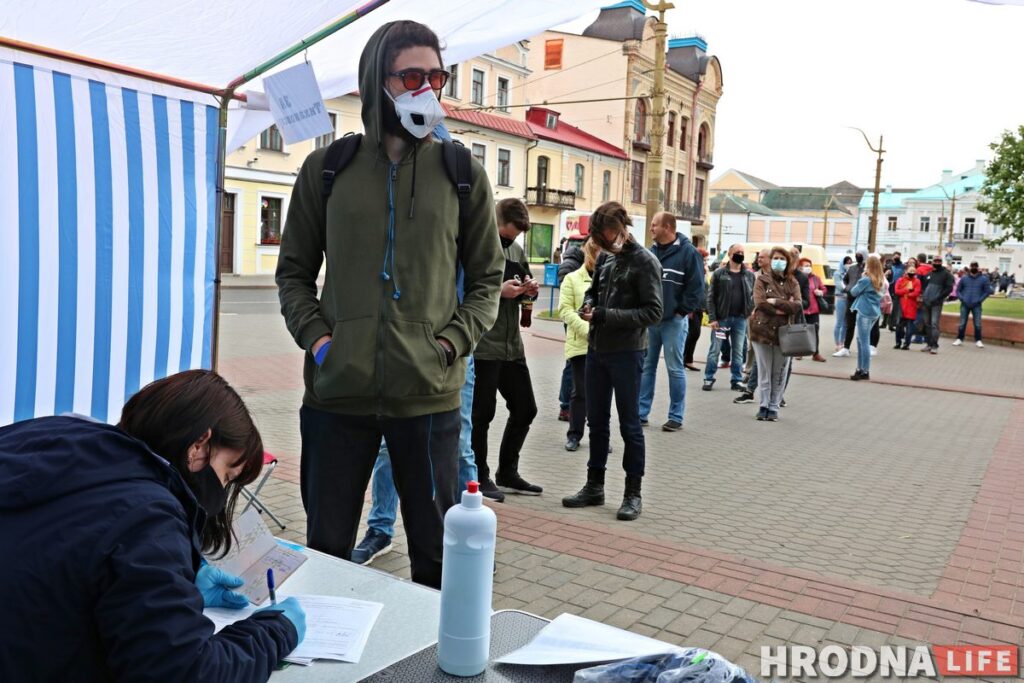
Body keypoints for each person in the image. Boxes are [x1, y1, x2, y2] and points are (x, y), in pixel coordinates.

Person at [275, 20, 504, 589]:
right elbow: (294, 274)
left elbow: (487, 279)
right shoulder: (327, 170)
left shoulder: (462, 174)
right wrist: (321, 341)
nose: (427, 89)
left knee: (435, 560)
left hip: (429, 400)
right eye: (411, 76)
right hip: (336, 397)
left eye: (436, 76)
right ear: (378, 82)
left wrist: (450, 343)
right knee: (327, 550)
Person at [0, 371, 305, 681]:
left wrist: (177, 585)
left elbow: (66, 559)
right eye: (226, 474)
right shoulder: (148, 516)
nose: (221, 493)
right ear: (200, 444)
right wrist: (273, 634)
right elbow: (183, 673)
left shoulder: (48, 436)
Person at [350, 123, 484, 562]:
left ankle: (465, 534)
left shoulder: (462, 197)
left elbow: (482, 281)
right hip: (393, 355)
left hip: (448, 356)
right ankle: (382, 528)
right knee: (389, 445)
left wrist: (448, 344)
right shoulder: (400, 202)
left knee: (460, 447)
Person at [562, 202, 662, 521]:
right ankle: (595, 485)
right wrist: (589, 305)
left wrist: (605, 314)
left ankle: (633, 492)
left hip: (628, 352)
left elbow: (653, 312)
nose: (602, 241)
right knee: (597, 421)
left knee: (630, 425)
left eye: (605, 234)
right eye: (597, 236)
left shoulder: (645, 261)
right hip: (597, 349)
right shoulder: (605, 257)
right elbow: (593, 290)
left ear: (621, 227)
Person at [472, 197, 543, 499]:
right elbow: (464, 289)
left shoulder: (516, 249)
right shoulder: (476, 244)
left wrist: (530, 294)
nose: (510, 242)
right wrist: (498, 292)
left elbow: (523, 284)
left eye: (514, 237)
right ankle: (478, 476)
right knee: (481, 415)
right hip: (483, 345)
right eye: (506, 235)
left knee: (526, 408)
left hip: (511, 346)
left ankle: (507, 472)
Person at [638, 212, 706, 432]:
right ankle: (641, 413)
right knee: (647, 367)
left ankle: (675, 416)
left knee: (675, 368)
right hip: (651, 320)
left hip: (673, 322)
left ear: (668, 227)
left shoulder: (689, 253)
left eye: (654, 225)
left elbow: (696, 288)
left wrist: (681, 312)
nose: (651, 229)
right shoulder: (651, 252)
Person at [749, 246, 803, 421]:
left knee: (779, 372)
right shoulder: (761, 280)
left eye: (782, 258)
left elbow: (798, 305)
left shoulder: (793, 282)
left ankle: (774, 406)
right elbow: (760, 303)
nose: (778, 261)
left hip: (784, 333)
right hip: (762, 330)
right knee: (764, 371)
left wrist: (775, 301)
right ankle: (763, 405)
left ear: (787, 262)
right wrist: (784, 305)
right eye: (775, 258)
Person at [559, 239, 600, 451]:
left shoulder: (609, 278)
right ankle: (574, 434)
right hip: (580, 345)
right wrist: (588, 331)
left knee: (601, 394)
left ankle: (600, 436)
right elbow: (564, 311)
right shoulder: (572, 279)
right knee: (580, 392)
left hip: (604, 345)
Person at [704, 243, 755, 392]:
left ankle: (736, 380)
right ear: (730, 254)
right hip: (722, 319)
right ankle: (708, 377)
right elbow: (711, 296)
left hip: (740, 319)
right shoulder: (720, 273)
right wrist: (712, 318)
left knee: (738, 350)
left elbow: (753, 296)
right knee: (715, 349)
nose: (740, 254)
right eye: (737, 252)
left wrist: (750, 310)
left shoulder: (749, 275)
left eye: (742, 252)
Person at [556, 241, 586, 421]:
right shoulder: (570, 265)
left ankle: (570, 404)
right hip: (574, 319)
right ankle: (565, 405)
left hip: (584, 318)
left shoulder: (581, 262)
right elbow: (567, 295)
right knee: (573, 361)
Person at [848, 255, 885, 380]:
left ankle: (864, 370)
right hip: (874, 312)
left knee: (863, 342)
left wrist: (862, 278)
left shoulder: (866, 279)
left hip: (864, 311)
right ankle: (860, 368)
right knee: (861, 340)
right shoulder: (880, 279)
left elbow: (853, 292)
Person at [919, 256, 956, 354]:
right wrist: (923, 297)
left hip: (937, 304)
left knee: (934, 324)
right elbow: (924, 287)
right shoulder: (929, 274)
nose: (937, 262)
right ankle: (928, 344)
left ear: (941, 262)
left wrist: (938, 298)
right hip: (926, 303)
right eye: (935, 261)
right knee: (927, 324)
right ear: (932, 262)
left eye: (939, 261)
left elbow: (949, 289)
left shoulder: (947, 275)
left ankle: (934, 345)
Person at [835, 248, 868, 357]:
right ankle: (846, 348)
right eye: (857, 254)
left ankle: (863, 347)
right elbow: (845, 280)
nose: (858, 256)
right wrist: (847, 287)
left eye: (860, 254)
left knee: (863, 325)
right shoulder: (852, 268)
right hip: (850, 299)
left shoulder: (868, 269)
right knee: (850, 324)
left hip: (863, 299)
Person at [953, 261, 993, 348]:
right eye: (972, 266)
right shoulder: (964, 278)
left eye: (975, 266)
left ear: (977, 268)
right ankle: (959, 339)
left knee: (977, 323)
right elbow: (958, 290)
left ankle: (978, 340)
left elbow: (987, 291)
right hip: (965, 303)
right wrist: (962, 299)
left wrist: (980, 300)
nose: (973, 268)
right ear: (970, 267)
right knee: (962, 322)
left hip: (977, 304)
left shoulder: (984, 279)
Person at [683, 247, 709, 371]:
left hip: (700, 308)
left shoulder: (703, 271)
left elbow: (705, 290)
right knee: (693, 333)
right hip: (692, 308)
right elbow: (689, 290)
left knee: (695, 334)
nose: (705, 262)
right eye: (704, 260)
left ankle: (688, 360)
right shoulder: (691, 270)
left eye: (706, 260)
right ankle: (683, 358)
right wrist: (689, 309)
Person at [797, 256, 827, 362]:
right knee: (801, 331)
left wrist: (821, 292)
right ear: (800, 267)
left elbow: (824, 288)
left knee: (815, 331)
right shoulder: (798, 278)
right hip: (802, 310)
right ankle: (799, 352)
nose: (808, 268)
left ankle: (815, 353)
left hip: (814, 310)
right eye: (806, 266)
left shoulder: (816, 278)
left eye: (809, 266)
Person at [894, 264, 922, 350]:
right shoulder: (900, 280)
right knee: (899, 326)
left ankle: (906, 344)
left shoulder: (917, 281)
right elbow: (897, 291)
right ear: (906, 272)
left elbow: (916, 293)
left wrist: (907, 294)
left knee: (909, 327)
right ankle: (898, 343)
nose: (911, 274)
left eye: (913, 272)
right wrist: (907, 290)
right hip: (901, 306)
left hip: (911, 307)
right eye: (910, 272)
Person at [833, 255, 853, 352]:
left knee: (846, 323)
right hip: (841, 298)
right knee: (839, 322)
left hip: (849, 299)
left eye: (850, 263)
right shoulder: (837, 273)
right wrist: (850, 288)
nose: (848, 265)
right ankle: (837, 343)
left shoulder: (851, 273)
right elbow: (840, 286)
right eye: (847, 263)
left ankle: (843, 342)